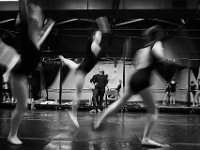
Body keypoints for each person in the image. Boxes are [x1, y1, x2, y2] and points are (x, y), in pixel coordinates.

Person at [93, 25, 170, 147]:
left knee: (120, 102)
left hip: (134, 77)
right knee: (153, 111)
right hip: (143, 78)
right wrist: (166, 60)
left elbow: (136, 65)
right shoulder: (157, 44)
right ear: (157, 36)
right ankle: (146, 138)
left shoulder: (141, 51)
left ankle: (101, 119)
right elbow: (159, 55)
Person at [0, 1, 54, 145]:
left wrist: (48, 25)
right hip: (17, 74)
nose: (40, 19)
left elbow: (40, 33)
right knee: (22, 106)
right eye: (37, 17)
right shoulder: (27, 32)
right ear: (30, 19)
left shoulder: (35, 37)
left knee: (22, 106)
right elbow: (25, 17)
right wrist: (23, 4)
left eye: (40, 17)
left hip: (21, 73)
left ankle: (12, 135)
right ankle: (12, 135)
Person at [59, 30, 103, 128]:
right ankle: (73, 114)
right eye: (98, 35)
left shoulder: (97, 48)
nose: (100, 37)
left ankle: (63, 59)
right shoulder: (92, 45)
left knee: (73, 65)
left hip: (81, 68)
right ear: (94, 36)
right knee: (78, 95)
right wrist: (95, 39)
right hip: (81, 72)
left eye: (101, 36)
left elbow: (96, 51)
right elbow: (92, 46)